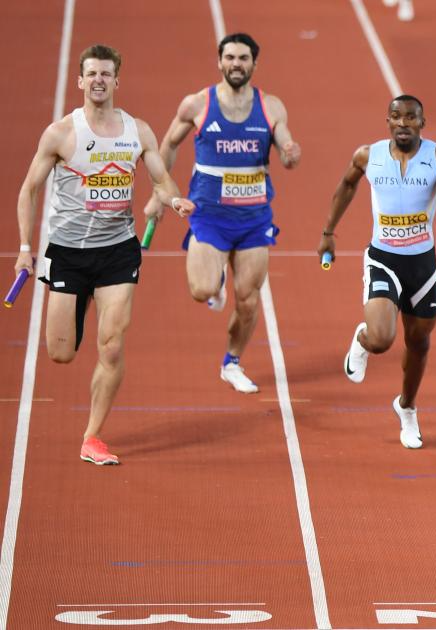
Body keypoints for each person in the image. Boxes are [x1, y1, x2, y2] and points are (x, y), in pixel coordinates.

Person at [14, 44, 195, 465]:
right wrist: (24, 249)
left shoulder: (138, 131)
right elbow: (29, 190)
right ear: (80, 80)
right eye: (92, 73)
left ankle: (92, 437)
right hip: (68, 253)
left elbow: (161, 180)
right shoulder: (61, 133)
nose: (99, 80)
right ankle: (76, 308)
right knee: (61, 352)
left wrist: (173, 200)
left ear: (117, 81)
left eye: (106, 74)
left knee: (112, 347)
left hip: (117, 252)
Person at [143, 32, 301, 394]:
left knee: (248, 299)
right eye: (229, 57)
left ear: (254, 64)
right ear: (219, 62)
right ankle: (216, 282)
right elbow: (168, 145)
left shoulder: (271, 107)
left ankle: (231, 363)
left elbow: (286, 149)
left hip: (254, 220)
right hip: (209, 215)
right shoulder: (197, 105)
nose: (236, 64)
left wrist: (290, 153)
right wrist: (160, 193)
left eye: (243, 58)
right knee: (201, 290)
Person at [317, 95, 436, 449]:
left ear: (422, 123)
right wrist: (328, 233)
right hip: (383, 259)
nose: (403, 123)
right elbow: (347, 185)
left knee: (418, 343)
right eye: (396, 116)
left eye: (411, 117)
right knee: (382, 339)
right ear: (387, 121)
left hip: (423, 267)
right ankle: (363, 340)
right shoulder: (368, 156)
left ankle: (407, 408)